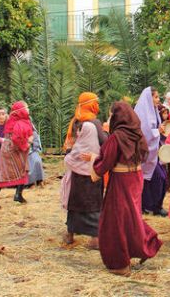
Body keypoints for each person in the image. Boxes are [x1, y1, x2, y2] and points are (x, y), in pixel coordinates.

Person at [93, 101, 162, 276]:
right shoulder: (137, 134)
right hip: (136, 178)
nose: (110, 117)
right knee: (130, 215)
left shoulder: (117, 137)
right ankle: (146, 243)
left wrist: (94, 164)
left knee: (114, 220)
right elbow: (144, 155)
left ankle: (121, 264)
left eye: (112, 114)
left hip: (122, 181)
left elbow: (105, 161)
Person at [60, 92, 106, 248]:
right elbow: (105, 143)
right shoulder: (94, 123)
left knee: (75, 203)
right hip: (91, 171)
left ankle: (70, 233)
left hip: (75, 169)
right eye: (96, 103)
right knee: (92, 205)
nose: (98, 106)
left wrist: (72, 155)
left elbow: (69, 144)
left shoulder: (75, 121)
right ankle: (96, 238)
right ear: (91, 105)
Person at [0, 101, 33, 209]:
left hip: (11, 149)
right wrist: (28, 143)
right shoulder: (19, 123)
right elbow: (17, 139)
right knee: (4, 174)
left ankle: (18, 195)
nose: (28, 110)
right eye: (26, 108)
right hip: (13, 150)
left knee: (22, 169)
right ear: (20, 111)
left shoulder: (17, 120)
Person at [135, 87, 168, 217]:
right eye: (156, 97)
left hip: (154, 153)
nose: (158, 100)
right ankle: (150, 206)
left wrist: (160, 130)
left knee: (160, 178)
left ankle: (154, 206)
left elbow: (154, 129)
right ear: (149, 98)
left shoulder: (154, 111)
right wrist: (157, 131)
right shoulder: (142, 113)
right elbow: (144, 133)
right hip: (145, 154)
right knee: (154, 179)